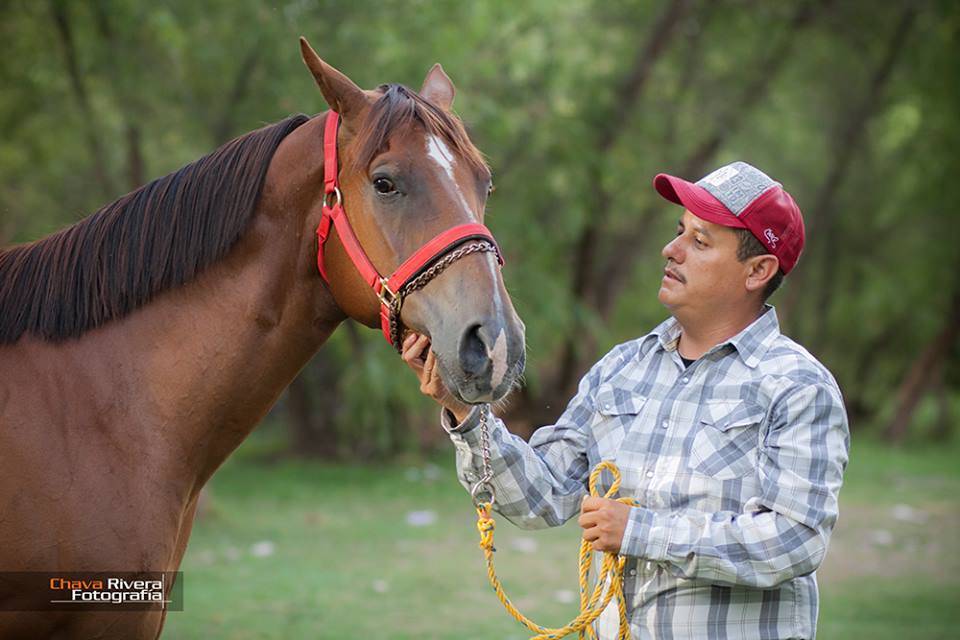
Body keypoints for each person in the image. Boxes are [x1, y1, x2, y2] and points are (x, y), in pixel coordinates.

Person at [402, 161, 849, 640]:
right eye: (681, 231)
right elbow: (541, 497)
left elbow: (794, 541)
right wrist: (466, 409)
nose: (671, 250)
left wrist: (640, 532)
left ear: (758, 270)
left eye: (700, 242)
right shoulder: (621, 369)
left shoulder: (798, 386)